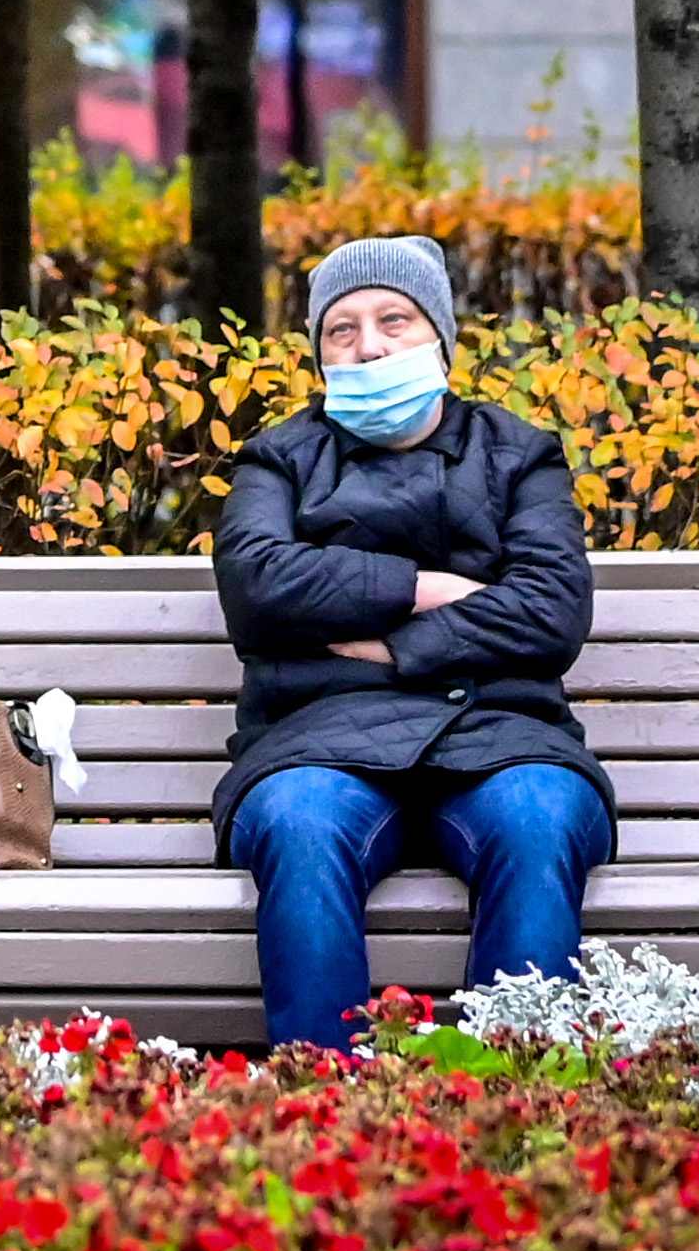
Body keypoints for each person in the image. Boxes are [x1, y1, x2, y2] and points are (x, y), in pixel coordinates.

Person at [208, 234, 617, 1049]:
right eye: (342, 329)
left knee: (541, 816)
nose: (370, 344)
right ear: (319, 352)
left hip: (503, 735)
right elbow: (256, 584)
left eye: (394, 319)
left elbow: (552, 609)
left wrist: (392, 647)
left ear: (441, 337)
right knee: (297, 821)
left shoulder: (518, 453)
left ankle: (512, 1101)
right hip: (316, 742)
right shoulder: (279, 460)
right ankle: (322, 1102)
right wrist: (424, 590)